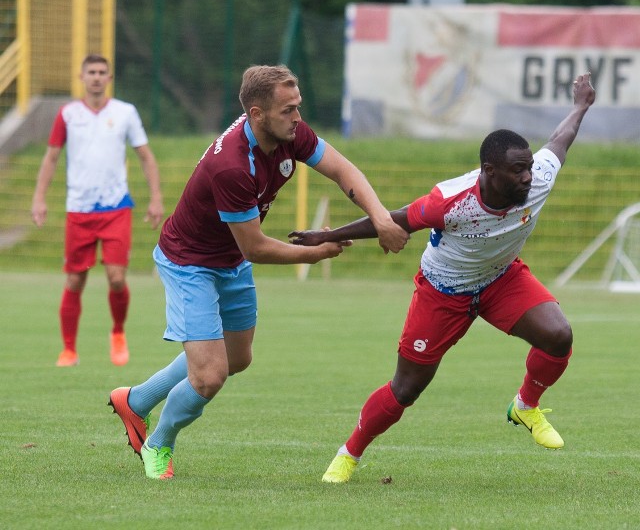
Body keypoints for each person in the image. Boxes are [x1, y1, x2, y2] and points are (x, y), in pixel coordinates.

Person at [107, 64, 410, 480]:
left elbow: (343, 169)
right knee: (211, 376)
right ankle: (158, 441)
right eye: (288, 110)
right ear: (256, 114)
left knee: (237, 358)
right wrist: (314, 254)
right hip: (189, 262)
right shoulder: (233, 165)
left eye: (298, 107)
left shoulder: (289, 133)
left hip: (229, 260)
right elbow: (256, 247)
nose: (297, 118)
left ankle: (135, 400)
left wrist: (381, 218)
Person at [291, 72, 596, 484]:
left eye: (529, 168)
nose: (528, 177)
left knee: (559, 336)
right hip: (443, 291)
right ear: (489, 170)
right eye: (518, 170)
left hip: (500, 279)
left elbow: (560, 138)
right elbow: (393, 220)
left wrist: (580, 105)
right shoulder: (451, 202)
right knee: (406, 389)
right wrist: (328, 235)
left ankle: (525, 405)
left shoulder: (538, 177)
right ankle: (349, 453)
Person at [31, 54, 164, 368]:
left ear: (109, 78)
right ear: (81, 77)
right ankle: (68, 350)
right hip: (79, 210)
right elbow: (51, 158)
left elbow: (146, 157)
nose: (96, 77)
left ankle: (118, 333)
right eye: (91, 71)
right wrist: (39, 197)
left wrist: (155, 197)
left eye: (102, 72)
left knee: (117, 279)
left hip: (116, 207)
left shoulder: (125, 113)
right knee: (75, 280)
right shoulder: (68, 114)